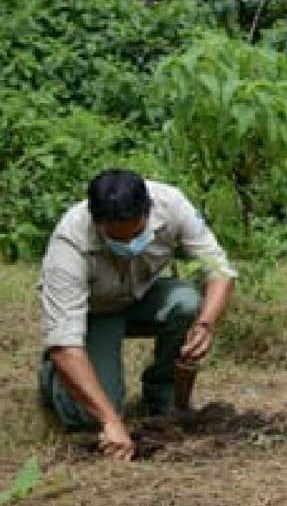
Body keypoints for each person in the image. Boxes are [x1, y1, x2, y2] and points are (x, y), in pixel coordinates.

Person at [38, 169, 237, 461]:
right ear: (97, 224)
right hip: (94, 313)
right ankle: (52, 377)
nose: (130, 245)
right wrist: (111, 421)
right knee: (87, 417)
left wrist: (206, 325)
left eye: (137, 233)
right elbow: (66, 345)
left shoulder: (171, 205)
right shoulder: (68, 245)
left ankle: (162, 395)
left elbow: (218, 270)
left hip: (143, 298)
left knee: (187, 303)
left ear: (149, 211)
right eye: (118, 238)